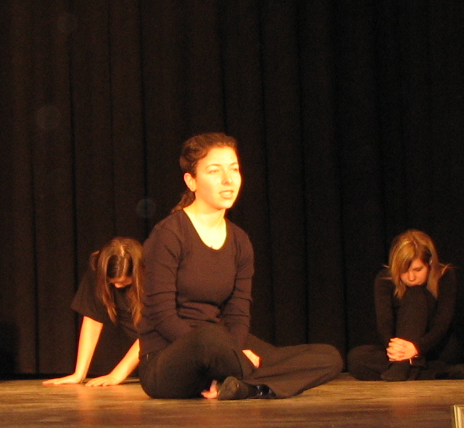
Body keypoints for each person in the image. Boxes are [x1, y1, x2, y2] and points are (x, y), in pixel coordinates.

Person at [138, 133, 342, 400]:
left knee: (327, 357)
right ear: (191, 181)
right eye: (215, 171)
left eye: (234, 169)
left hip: (223, 345)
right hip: (170, 357)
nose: (228, 180)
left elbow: (238, 313)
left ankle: (244, 387)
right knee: (210, 338)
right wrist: (230, 355)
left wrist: (231, 352)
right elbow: (162, 315)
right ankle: (241, 374)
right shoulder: (169, 234)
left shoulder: (240, 241)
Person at [348, 230, 464, 380]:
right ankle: (433, 371)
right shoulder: (384, 279)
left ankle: (401, 368)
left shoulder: (445, 277)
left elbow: (441, 325)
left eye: (417, 270)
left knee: (415, 294)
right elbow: (385, 324)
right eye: (404, 271)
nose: (411, 277)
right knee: (356, 358)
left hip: (434, 347)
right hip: (400, 350)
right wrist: (397, 351)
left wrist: (416, 348)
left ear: (430, 264)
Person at [43, 238, 145, 386]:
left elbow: (152, 331)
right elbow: (93, 317)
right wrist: (79, 374)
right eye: (112, 282)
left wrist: (116, 375)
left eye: (123, 282)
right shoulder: (97, 270)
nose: (117, 287)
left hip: (163, 348)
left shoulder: (154, 274)